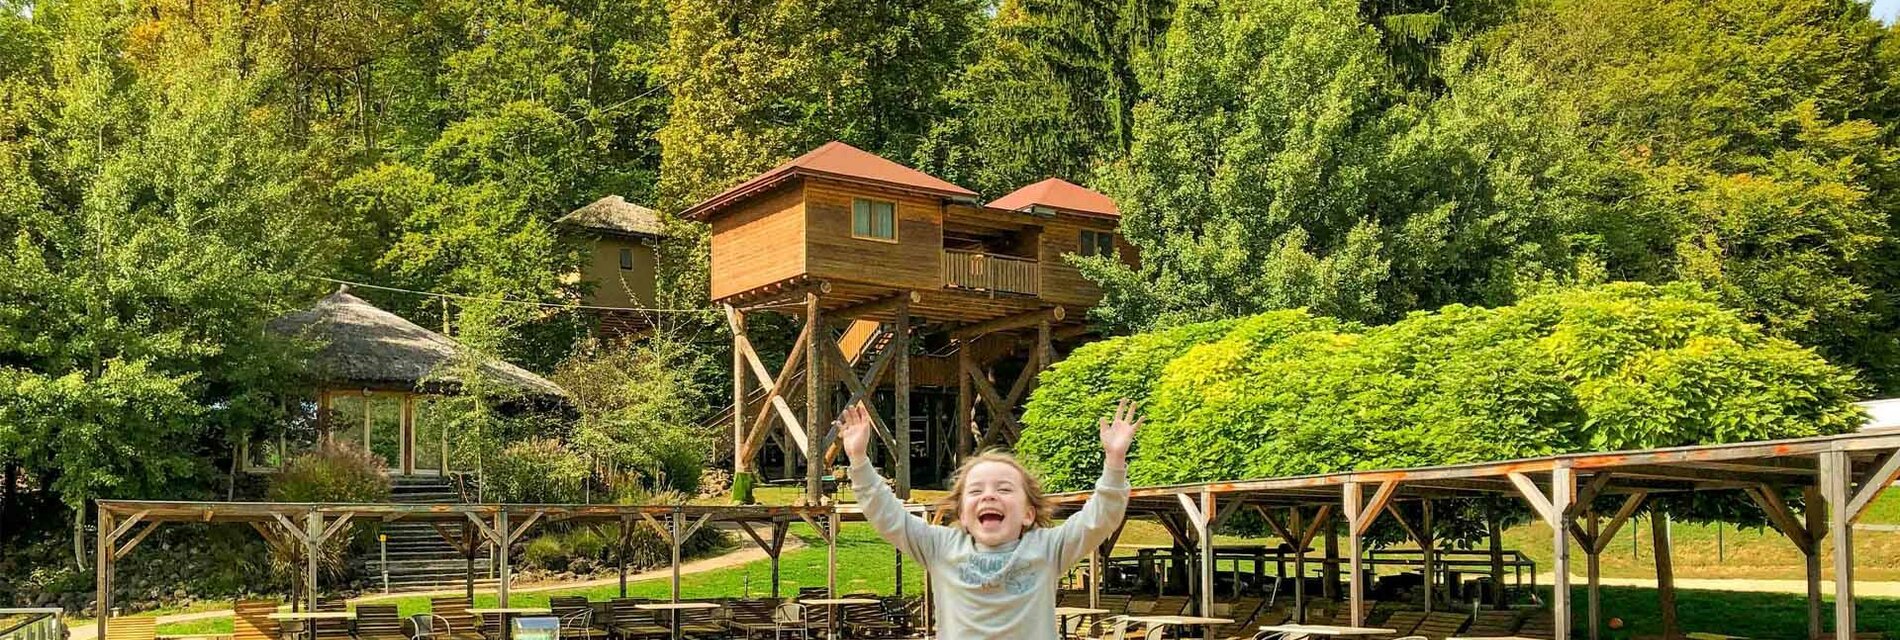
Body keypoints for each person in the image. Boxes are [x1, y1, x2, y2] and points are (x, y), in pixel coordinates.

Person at [837, 397, 1142, 639]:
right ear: (964, 517)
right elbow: (887, 516)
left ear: (1027, 513)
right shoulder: (941, 547)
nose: (989, 495)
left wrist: (1114, 462)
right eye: (976, 490)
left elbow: (1099, 519)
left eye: (1004, 488)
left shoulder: (1048, 549)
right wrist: (860, 460)